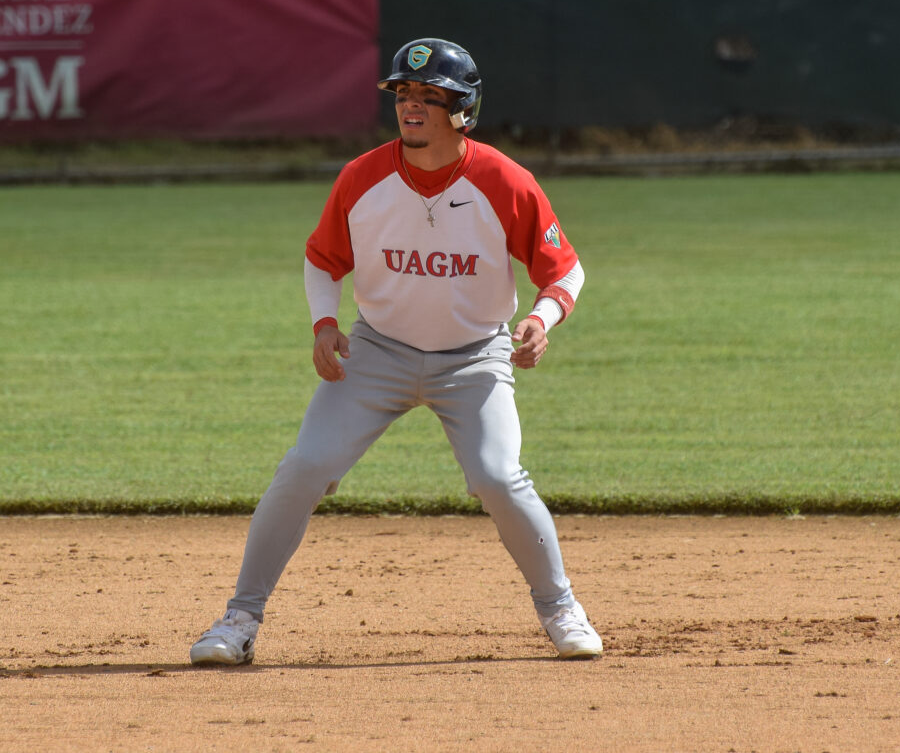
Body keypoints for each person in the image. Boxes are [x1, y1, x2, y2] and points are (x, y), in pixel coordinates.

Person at [190, 38, 600, 665]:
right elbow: (322, 259)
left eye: (429, 96)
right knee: (304, 467)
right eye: (404, 94)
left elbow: (564, 270)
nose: (411, 106)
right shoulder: (364, 176)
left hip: (474, 359)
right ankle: (239, 619)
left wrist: (543, 319)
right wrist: (324, 323)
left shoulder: (504, 180)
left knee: (497, 477)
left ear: (463, 108)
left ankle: (561, 608)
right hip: (376, 354)